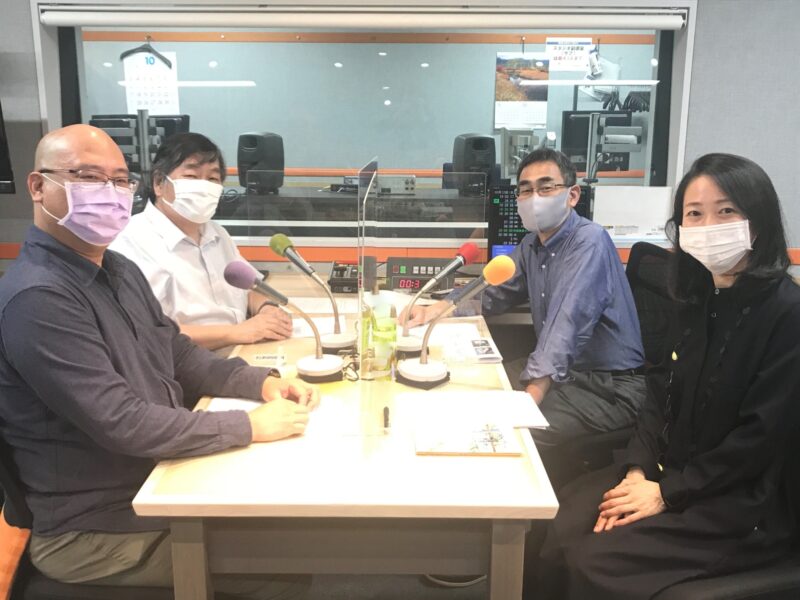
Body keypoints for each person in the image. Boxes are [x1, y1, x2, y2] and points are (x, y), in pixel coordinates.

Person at [0, 124, 319, 598]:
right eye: (88, 177)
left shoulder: (117, 269)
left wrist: (260, 383)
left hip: (153, 478)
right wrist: (249, 426)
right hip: (96, 527)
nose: (108, 192)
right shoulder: (39, 298)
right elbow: (122, 422)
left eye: (118, 180)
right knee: (282, 561)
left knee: (284, 507)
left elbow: (178, 353)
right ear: (37, 186)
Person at [531, 153, 800, 599]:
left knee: (595, 561)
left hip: (739, 500)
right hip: (668, 472)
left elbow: (759, 439)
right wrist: (638, 470)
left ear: (759, 221)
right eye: (694, 214)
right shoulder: (699, 300)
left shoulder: (787, 314)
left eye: (726, 211)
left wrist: (667, 493)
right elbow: (658, 396)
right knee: (562, 520)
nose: (708, 226)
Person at [406, 148, 646, 487]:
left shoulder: (589, 242)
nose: (534, 198)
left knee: (505, 433)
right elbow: (494, 291)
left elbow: (567, 324)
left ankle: (507, 515)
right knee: (461, 389)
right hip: (566, 374)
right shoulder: (533, 245)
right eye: (526, 189)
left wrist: (531, 395)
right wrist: (438, 309)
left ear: (572, 195)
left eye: (546, 187)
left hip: (608, 387)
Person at [110, 132, 293, 350]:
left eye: (213, 179)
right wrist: (235, 333)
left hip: (239, 350)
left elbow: (251, 287)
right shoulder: (130, 244)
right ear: (159, 182)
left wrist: (266, 309)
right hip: (183, 364)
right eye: (191, 176)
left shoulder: (217, 234)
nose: (204, 186)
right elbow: (145, 331)